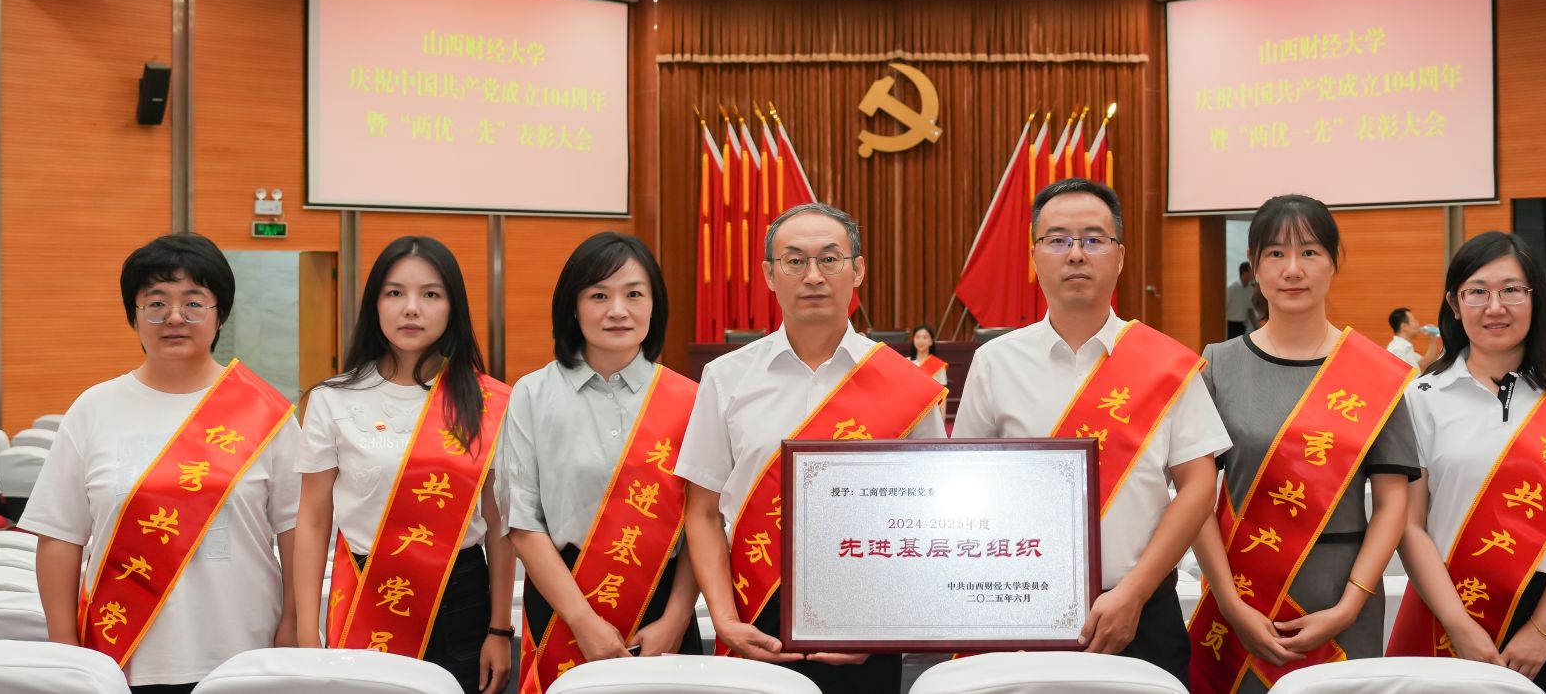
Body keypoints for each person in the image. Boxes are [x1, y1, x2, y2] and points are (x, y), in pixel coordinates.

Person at [953, 179, 1230, 683]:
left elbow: (1198, 485)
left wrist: (1134, 593)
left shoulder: (1167, 363)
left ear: (1119, 256)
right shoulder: (995, 362)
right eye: (1057, 239)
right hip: (1019, 607)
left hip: (1142, 609)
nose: (1076, 254)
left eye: (1093, 239)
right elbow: (966, 484)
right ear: (1034, 256)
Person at [677, 203, 947, 694]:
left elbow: (933, 515)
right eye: (795, 261)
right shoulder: (726, 378)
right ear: (769, 274)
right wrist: (725, 619)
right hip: (753, 614)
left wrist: (888, 626)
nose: (814, 275)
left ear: (857, 270)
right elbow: (702, 511)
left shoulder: (906, 385)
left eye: (829, 258)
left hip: (868, 618)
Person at [26, 233, 300, 693]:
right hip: (121, 658)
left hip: (244, 655)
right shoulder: (94, 409)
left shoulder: (267, 414)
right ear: (134, 315)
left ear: (220, 315)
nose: (174, 317)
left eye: (193, 302)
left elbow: (297, 533)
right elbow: (59, 536)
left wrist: (293, 624)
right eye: (156, 303)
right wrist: (65, 647)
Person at [1188, 195, 1420, 693]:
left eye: (1310, 252)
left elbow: (1392, 503)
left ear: (1333, 262)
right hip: (1244, 594)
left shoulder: (1375, 373)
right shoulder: (1219, 365)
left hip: (1343, 591)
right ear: (1254, 266)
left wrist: (1349, 607)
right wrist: (1230, 604)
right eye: (1276, 253)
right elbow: (1195, 499)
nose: (1293, 269)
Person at [1390, 232, 1546, 694]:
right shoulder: (1419, 399)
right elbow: (1410, 524)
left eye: (1512, 290)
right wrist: (1459, 625)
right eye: (1477, 292)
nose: (1495, 307)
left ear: (1535, 299)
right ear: (1454, 304)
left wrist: (1543, 627)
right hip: (1447, 611)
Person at [291, 236, 514, 694]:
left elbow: (499, 523)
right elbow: (312, 518)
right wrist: (306, 633)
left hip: (461, 599)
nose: (411, 308)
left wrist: (499, 629)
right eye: (394, 293)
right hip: (366, 590)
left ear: (453, 307)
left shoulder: (491, 402)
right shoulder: (332, 400)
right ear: (374, 304)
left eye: (430, 294)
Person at [507, 233, 703, 694]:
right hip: (563, 606)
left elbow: (705, 521)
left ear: (654, 305)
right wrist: (581, 621)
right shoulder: (532, 394)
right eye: (599, 296)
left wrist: (676, 619)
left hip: (662, 607)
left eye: (634, 294)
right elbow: (523, 521)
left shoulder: (691, 400)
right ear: (573, 307)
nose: (618, 310)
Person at [1227, 262, 1256, 339]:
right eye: (1252, 271)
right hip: (1229, 325)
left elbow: (1250, 310)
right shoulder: (1231, 288)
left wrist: (1257, 326)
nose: (1254, 274)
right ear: (1244, 272)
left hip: (1242, 326)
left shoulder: (1251, 290)